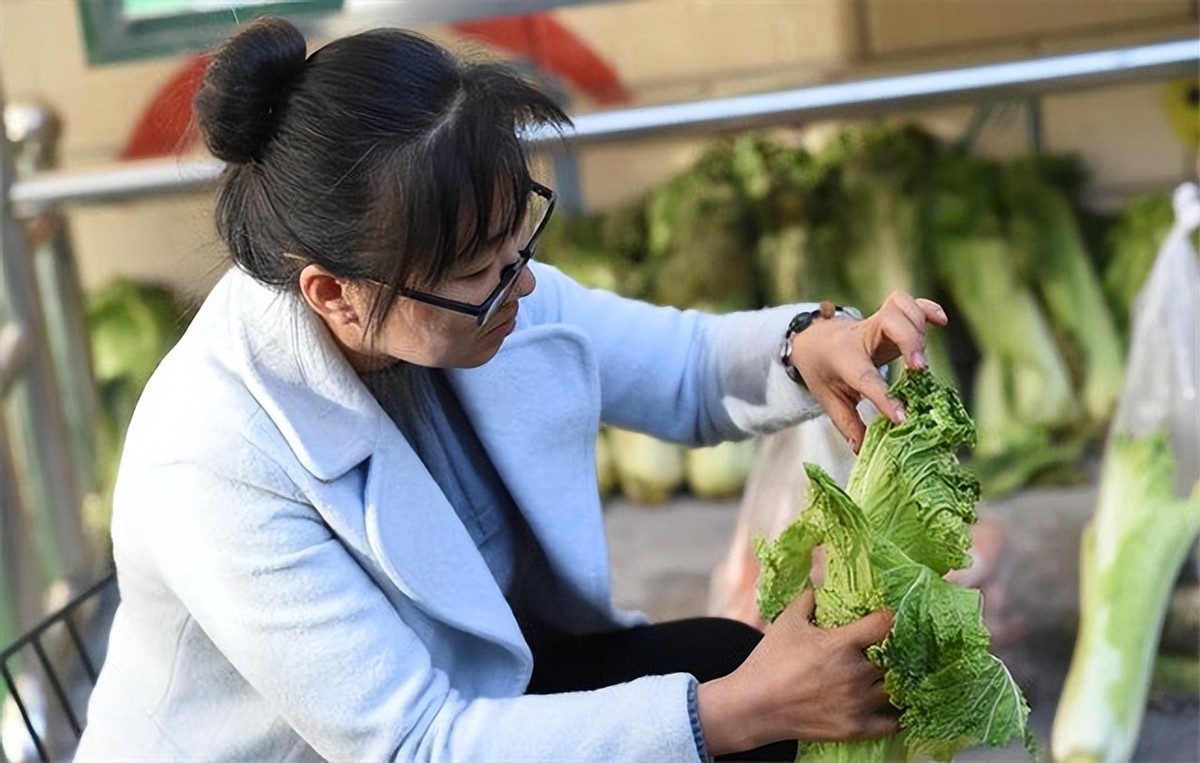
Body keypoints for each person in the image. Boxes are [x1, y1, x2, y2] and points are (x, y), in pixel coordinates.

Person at [76, 16, 949, 762]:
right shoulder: (212, 457)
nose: (521, 288)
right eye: (481, 271)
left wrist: (812, 346)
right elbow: (413, 742)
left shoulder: (463, 284)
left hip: (492, 686)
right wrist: (737, 710)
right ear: (332, 292)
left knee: (727, 662)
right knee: (739, 700)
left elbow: (681, 367)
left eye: (516, 242)